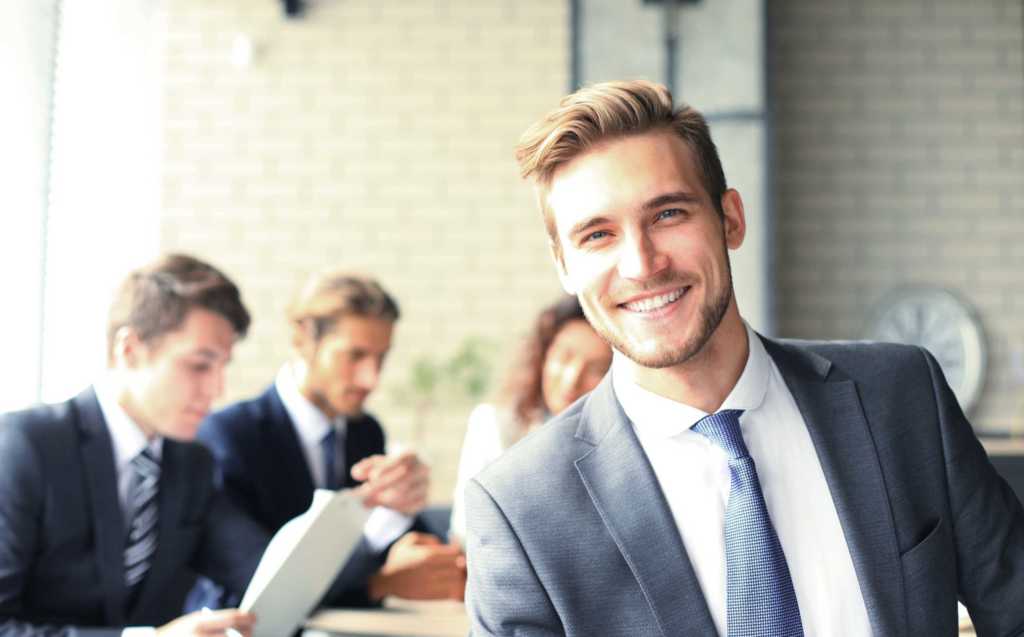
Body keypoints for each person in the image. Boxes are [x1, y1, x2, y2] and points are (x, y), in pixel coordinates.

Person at [464, 80, 1024, 636]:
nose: (641, 264)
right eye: (597, 235)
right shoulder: (520, 508)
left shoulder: (902, 396)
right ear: (564, 266)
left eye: (668, 215)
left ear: (730, 218)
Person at [0, 254, 265, 636]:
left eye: (224, 366)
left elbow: (262, 566)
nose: (217, 389)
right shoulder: (27, 447)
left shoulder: (192, 464)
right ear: (130, 349)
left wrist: (368, 515)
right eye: (200, 365)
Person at [195, 270, 465, 608]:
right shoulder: (230, 436)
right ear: (303, 340)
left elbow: (374, 548)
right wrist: (380, 583)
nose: (371, 379)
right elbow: (258, 581)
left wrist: (401, 511)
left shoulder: (365, 432)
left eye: (381, 358)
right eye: (354, 356)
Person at [449, 295, 611, 544]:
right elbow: (467, 534)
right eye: (564, 357)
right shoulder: (494, 425)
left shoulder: (617, 444)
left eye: (596, 369)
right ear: (544, 355)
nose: (571, 380)